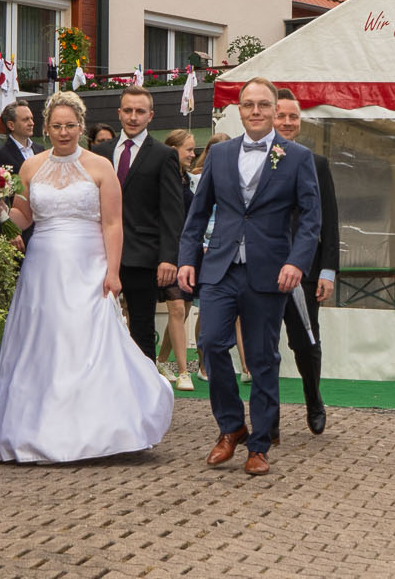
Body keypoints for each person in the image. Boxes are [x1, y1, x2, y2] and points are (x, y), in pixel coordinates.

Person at [0, 92, 175, 462]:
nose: (64, 132)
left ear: (81, 126)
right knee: (45, 345)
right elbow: (23, 218)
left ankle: (95, 431)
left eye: (70, 126)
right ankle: (38, 431)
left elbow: (112, 223)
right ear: (46, 128)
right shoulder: (30, 168)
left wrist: (113, 272)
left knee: (85, 343)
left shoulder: (100, 167)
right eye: (57, 126)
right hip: (42, 267)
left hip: (88, 265)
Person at [177, 77, 324, 477]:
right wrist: (187, 258)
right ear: (239, 110)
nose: (255, 111)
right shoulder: (221, 154)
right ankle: (231, 426)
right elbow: (198, 212)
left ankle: (259, 445)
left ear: (275, 110)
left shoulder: (296, 157)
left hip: (269, 272)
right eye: (248, 104)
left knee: (261, 359)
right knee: (210, 343)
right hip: (219, 267)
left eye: (263, 104)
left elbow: (311, 219)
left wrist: (297, 262)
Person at [271, 90, 340, 436]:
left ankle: (314, 400)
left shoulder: (317, 164)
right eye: (281, 115)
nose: (287, 122)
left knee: (305, 342)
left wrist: (327, 270)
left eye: (293, 117)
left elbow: (329, 220)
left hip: (306, 271)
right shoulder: (251, 160)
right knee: (264, 345)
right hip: (264, 268)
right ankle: (268, 415)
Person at [110, 86, 188, 368]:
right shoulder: (101, 152)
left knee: (142, 328)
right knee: (100, 325)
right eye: (128, 110)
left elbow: (172, 212)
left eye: (140, 111)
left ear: (150, 115)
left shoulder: (163, 155)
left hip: (143, 257)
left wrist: (169, 258)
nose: (133, 117)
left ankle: (146, 388)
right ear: (119, 113)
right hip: (102, 254)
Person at [159, 130, 202, 386]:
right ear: (173, 149)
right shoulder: (164, 176)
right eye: (189, 149)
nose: (193, 154)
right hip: (166, 251)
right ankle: (184, 371)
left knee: (183, 310)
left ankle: (161, 359)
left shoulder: (186, 178)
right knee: (176, 308)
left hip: (185, 251)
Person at [0, 100, 38, 171]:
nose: (31, 123)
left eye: (31, 118)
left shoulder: (40, 150)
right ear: (11, 125)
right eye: (25, 120)